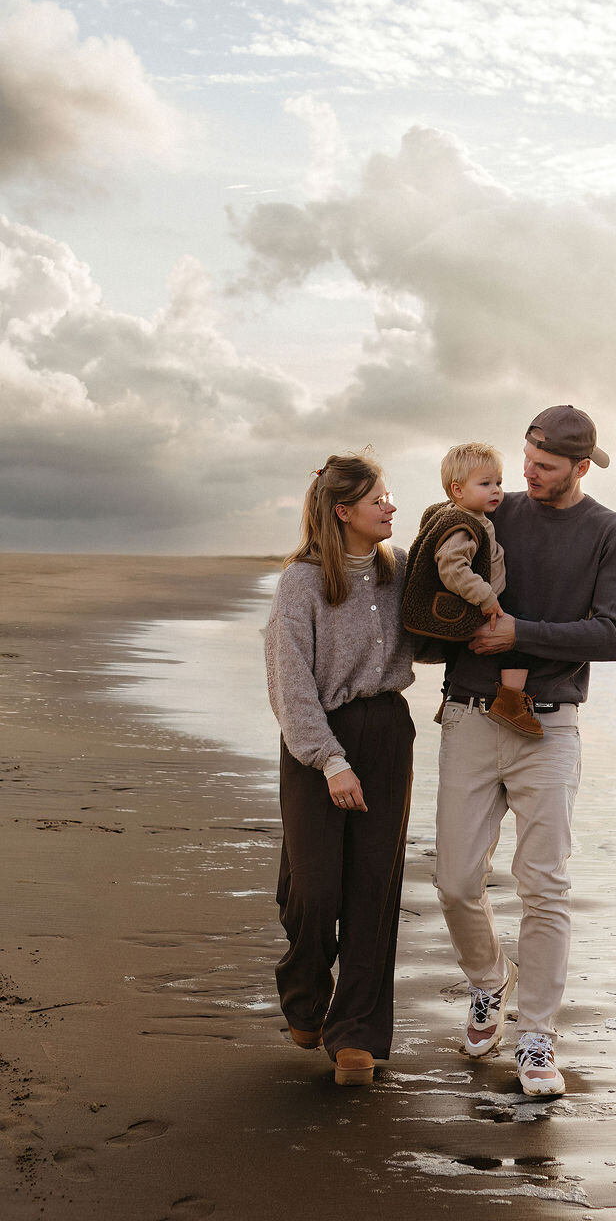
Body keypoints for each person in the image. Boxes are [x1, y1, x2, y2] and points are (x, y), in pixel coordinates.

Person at [433, 406, 616, 1096]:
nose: (526, 474)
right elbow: (436, 579)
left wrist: (519, 631)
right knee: (456, 881)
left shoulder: (612, 533)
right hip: (470, 715)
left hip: (550, 727)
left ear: (581, 467)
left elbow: (611, 636)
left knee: (544, 886)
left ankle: (538, 1038)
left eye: (545, 467)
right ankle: (492, 980)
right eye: (526, 459)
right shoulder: (492, 514)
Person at [264, 453, 416, 1086]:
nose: (391, 507)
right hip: (318, 741)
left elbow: (445, 619)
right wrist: (330, 760)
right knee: (315, 889)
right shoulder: (301, 583)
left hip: (387, 731)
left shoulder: (399, 570)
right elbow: (289, 681)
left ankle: (354, 1034)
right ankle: (303, 990)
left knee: (373, 890)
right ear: (343, 511)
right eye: (379, 498)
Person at [401, 441, 542, 736]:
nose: (496, 490)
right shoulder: (464, 523)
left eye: (498, 483)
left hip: (473, 601)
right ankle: (511, 701)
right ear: (458, 490)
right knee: (517, 638)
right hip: (476, 602)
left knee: (457, 658)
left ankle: (447, 695)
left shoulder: (465, 515)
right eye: (485, 483)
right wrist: (486, 597)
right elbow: (452, 566)